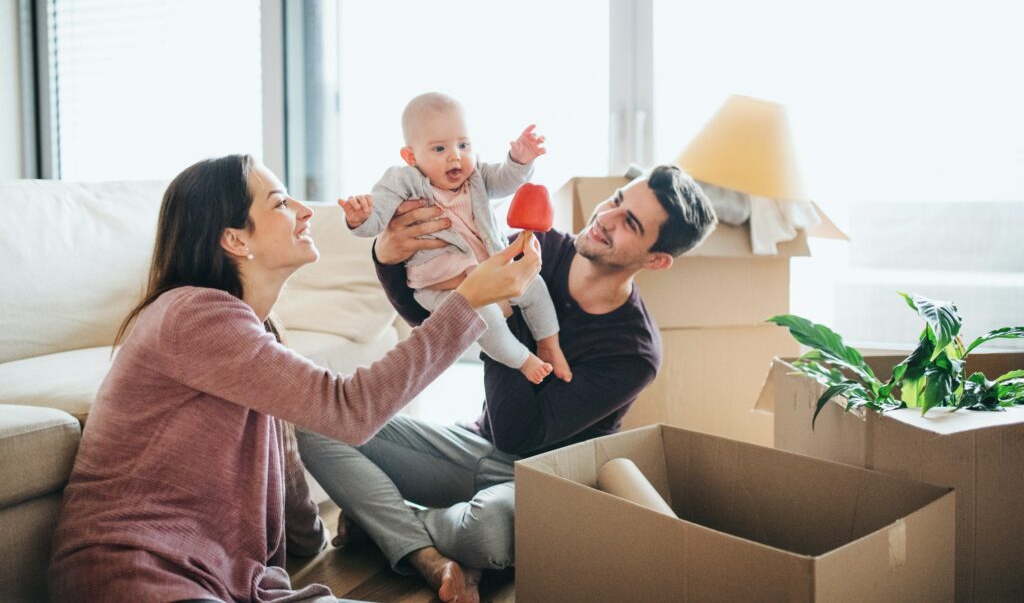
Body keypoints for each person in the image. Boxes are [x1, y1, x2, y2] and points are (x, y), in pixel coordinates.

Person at [48, 154, 541, 603]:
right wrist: (466, 301)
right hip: (137, 569)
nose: (306, 212)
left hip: (231, 577)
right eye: (282, 202)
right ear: (235, 239)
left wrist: (315, 539)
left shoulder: (248, 326)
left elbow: (283, 450)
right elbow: (348, 410)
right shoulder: (192, 315)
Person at [298, 165, 717, 603]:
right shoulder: (537, 247)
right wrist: (386, 257)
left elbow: (520, 435)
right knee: (318, 422)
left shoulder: (633, 353)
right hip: (472, 447)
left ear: (656, 260)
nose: (606, 217)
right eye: (616, 199)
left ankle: (382, 521)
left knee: (485, 531)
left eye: (630, 222)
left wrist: (500, 310)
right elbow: (429, 319)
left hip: (541, 478)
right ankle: (423, 553)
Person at [340, 92, 570, 384]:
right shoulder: (402, 181)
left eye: (463, 145)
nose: (455, 156)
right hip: (441, 285)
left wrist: (519, 161)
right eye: (439, 148)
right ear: (411, 156)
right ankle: (523, 360)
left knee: (534, 286)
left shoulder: (476, 176)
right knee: (484, 317)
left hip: (489, 273)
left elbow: (505, 180)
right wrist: (360, 218)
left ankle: (549, 344)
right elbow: (377, 220)